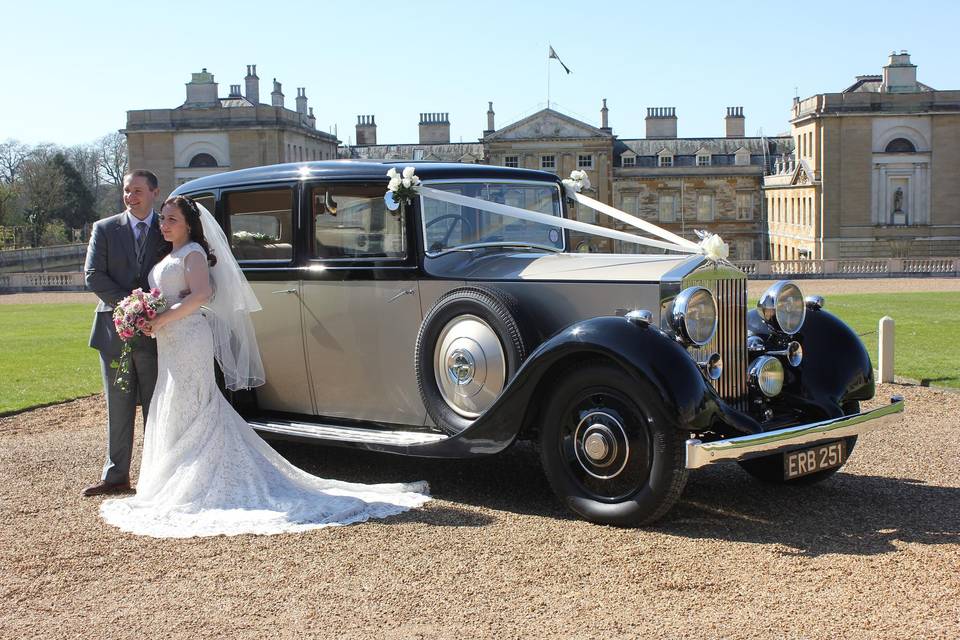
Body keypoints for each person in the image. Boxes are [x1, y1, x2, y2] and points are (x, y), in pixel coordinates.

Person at [98, 196, 429, 537]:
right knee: (175, 402)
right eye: (163, 219)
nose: (164, 225)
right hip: (169, 340)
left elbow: (201, 294)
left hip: (188, 336)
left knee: (194, 402)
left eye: (171, 219)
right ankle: (176, 476)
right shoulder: (168, 255)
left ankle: (200, 480)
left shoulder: (194, 252)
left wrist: (162, 317)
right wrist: (145, 313)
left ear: (188, 223)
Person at [83, 170, 163, 496]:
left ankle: (157, 477)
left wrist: (152, 310)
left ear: (154, 192)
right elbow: (93, 276)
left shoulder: (167, 226)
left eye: (138, 190)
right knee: (118, 407)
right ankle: (116, 477)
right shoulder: (104, 229)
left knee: (157, 407)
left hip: (158, 331)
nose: (131, 196)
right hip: (113, 330)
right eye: (127, 191)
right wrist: (131, 304)